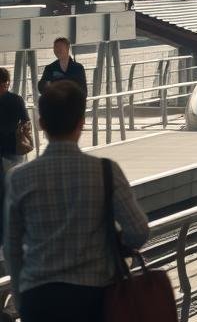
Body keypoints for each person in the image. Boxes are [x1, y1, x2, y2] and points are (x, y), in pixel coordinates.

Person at [4, 81, 149, 322]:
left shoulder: (19, 177)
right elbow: (140, 232)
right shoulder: (106, 171)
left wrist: (21, 298)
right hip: (95, 297)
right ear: (81, 122)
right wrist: (114, 240)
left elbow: (11, 247)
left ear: (41, 124)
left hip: (39, 299)